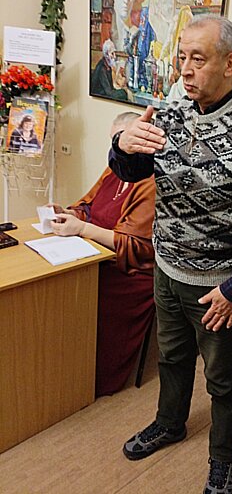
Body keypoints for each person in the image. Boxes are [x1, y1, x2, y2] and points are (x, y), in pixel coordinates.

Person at [108, 15, 232, 494]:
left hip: (217, 288)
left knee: (223, 379)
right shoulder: (169, 113)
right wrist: (121, 144)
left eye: (198, 59)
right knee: (171, 357)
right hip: (166, 269)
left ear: (230, 63)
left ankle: (223, 458)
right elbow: (129, 170)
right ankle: (170, 423)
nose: (185, 70)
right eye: (181, 57)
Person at [50, 112, 156, 397]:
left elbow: (137, 246)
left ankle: (87, 377)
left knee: (83, 295)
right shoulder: (116, 167)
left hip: (130, 270)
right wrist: (70, 213)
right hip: (93, 251)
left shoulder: (151, 180)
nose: (117, 149)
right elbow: (89, 205)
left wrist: (82, 228)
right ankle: (55, 362)